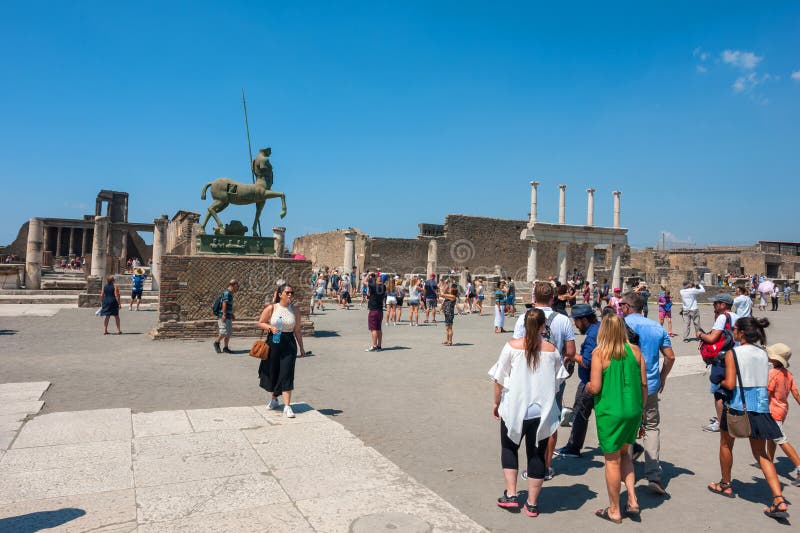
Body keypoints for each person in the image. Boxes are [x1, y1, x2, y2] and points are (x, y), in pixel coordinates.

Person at [489, 308, 568, 517]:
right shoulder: (551, 350)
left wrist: (496, 403)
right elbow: (558, 381)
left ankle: (512, 494)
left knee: (509, 447)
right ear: (544, 326)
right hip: (540, 410)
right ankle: (532, 504)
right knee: (537, 453)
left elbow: (499, 379)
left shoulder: (511, 347)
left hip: (514, 407)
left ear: (524, 326)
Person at [708, 317, 789, 519]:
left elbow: (730, 383)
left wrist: (717, 380)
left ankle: (725, 484)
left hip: (738, 407)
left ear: (742, 332)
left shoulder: (733, 353)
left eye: (735, 329)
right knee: (761, 454)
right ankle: (778, 498)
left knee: (726, 444)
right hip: (761, 407)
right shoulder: (763, 353)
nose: (733, 332)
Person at [586, 314, 647, 523]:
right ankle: (632, 499)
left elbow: (595, 387)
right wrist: (643, 410)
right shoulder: (636, 351)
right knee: (627, 456)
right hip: (633, 410)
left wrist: (587, 387)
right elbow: (644, 384)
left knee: (612, 460)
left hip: (610, 411)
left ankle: (614, 509)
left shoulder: (599, 353)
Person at [513, 281, 576, 479]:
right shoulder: (563, 319)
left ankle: (532, 466)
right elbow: (571, 351)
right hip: (553, 379)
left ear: (533, 297)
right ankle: (546, 466)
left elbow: (517, 347)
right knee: (551, 421)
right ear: (553, 297)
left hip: (527, 376)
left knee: (528, 420)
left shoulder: (524, 318)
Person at [620, 291, 675, 494]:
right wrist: (662, 377)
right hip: (650, 385)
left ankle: (622, 471)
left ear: (627, 307)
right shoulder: (657, 327)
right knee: (651, 427)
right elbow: (670, 357)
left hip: (624, 385)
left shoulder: (620, 325)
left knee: (625, 426)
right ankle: (653, 474)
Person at [555, 304, 600, 458]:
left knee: (580, 414)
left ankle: (573, 447)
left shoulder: (592, 337)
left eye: (576, 321)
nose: (575, 324)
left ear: (584, 319)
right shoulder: (598, 328)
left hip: (589, 381)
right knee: (603, 414)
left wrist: (571, 355)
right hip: (601, 379)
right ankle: (631, 447)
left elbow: (587, 361)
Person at [258, 283, 307, 418]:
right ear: (280, 295)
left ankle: (287, 406)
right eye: (287, 292)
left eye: (292, 292)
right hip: (274, 341)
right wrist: (270, 328)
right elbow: (260, 322)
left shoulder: (295, 310)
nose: (290, 295)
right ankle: (274, 399)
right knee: (273, 371)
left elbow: (297, 330)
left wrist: (302, 348)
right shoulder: (272, 308)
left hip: (289, 343)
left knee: (287, 373)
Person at [698, 293, 740, 433]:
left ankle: (721, 424)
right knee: (731, 390)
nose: (714, 305)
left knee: (719, 392)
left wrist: (701, 335)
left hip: (722, 359)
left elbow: (712, 338)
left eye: (716, 303)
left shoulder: (723, 317)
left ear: (723, 305)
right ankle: (732, 420)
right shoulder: (737, 316)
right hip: (736, 356)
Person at [765, 343, 800, 486]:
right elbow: (796, 393)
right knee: (772, 436)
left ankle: (799, 466)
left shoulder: (773, 374)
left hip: (773, 411)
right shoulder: (788, 374)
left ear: (774, 359)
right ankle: (769, 461)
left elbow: (767, 393)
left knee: (780, 438)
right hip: (783, 409)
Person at [213, 279, 238, 354]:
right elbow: (224, 303)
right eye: (237, 284)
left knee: (229, 332)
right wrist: (224, 314)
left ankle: (226, 348)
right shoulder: (227, 292)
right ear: (233, 285)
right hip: (223, 315)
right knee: (223, 332)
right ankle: (216, 342)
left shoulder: (230, 293)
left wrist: (231, 313)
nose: (238, 286)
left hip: (228, 315)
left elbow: (228, 305)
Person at [365, 272, 386, 352]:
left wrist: (368, 275)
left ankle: (374, 346)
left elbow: (364, 282)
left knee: (373, 329)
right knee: (379, 328)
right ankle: (379, 345)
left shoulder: (374, 286)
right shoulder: (384, 287)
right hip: (380, 310)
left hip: (373, 310)